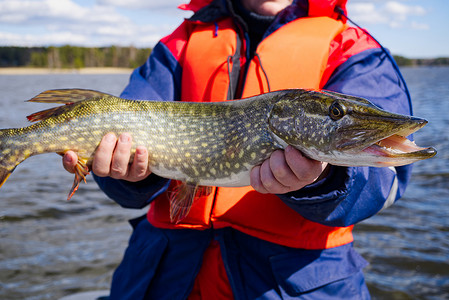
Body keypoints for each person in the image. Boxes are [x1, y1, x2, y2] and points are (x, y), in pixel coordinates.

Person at [63, 0, 413, 299]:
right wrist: (130, 177)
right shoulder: (178, 45)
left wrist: (323, 181)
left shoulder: (353, 48)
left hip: (295, 283)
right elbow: (119, 160)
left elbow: (385, 182)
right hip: (162, 276)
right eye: (335, 114)